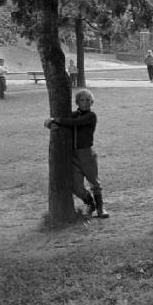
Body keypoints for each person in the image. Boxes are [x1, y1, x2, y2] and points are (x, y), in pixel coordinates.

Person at [44, 89, 109, 218]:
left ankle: (101, 208)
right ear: (77, 102)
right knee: (75, 186)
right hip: (73, 156)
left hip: (86, 154)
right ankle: (90, 204)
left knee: (94, 182)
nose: (85, 103)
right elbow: (64, 121)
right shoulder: (73, 115)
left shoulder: (91, 116)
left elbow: (76, 123)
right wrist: (49, 122)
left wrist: (56, 119)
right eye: (82, 100)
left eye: (88, 100)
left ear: (92, 102)